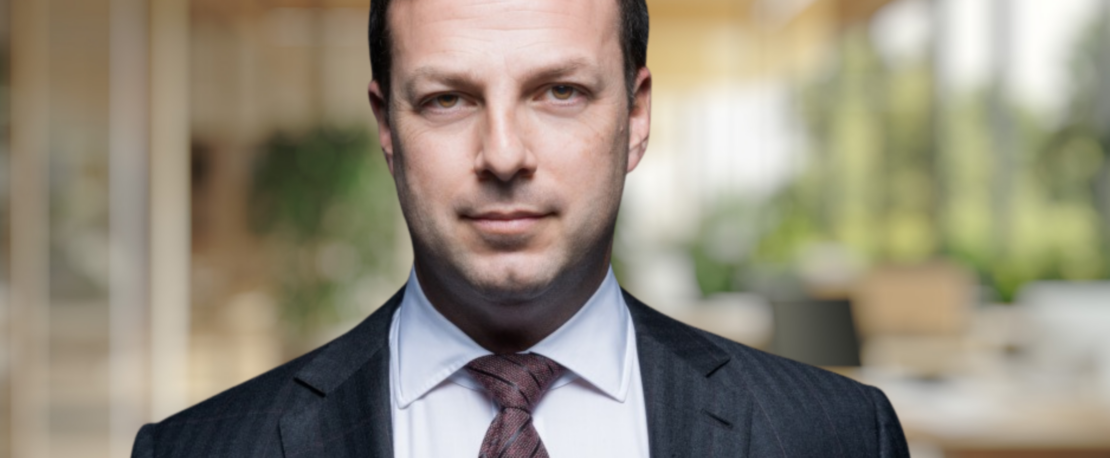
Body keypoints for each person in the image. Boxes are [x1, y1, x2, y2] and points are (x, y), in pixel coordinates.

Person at [132, 0, 911, 456]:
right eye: (447, 99)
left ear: (637, 116)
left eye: (560, 91)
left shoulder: (836, 438)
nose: (503, 154)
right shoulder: (198, 452)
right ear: (387, 126)